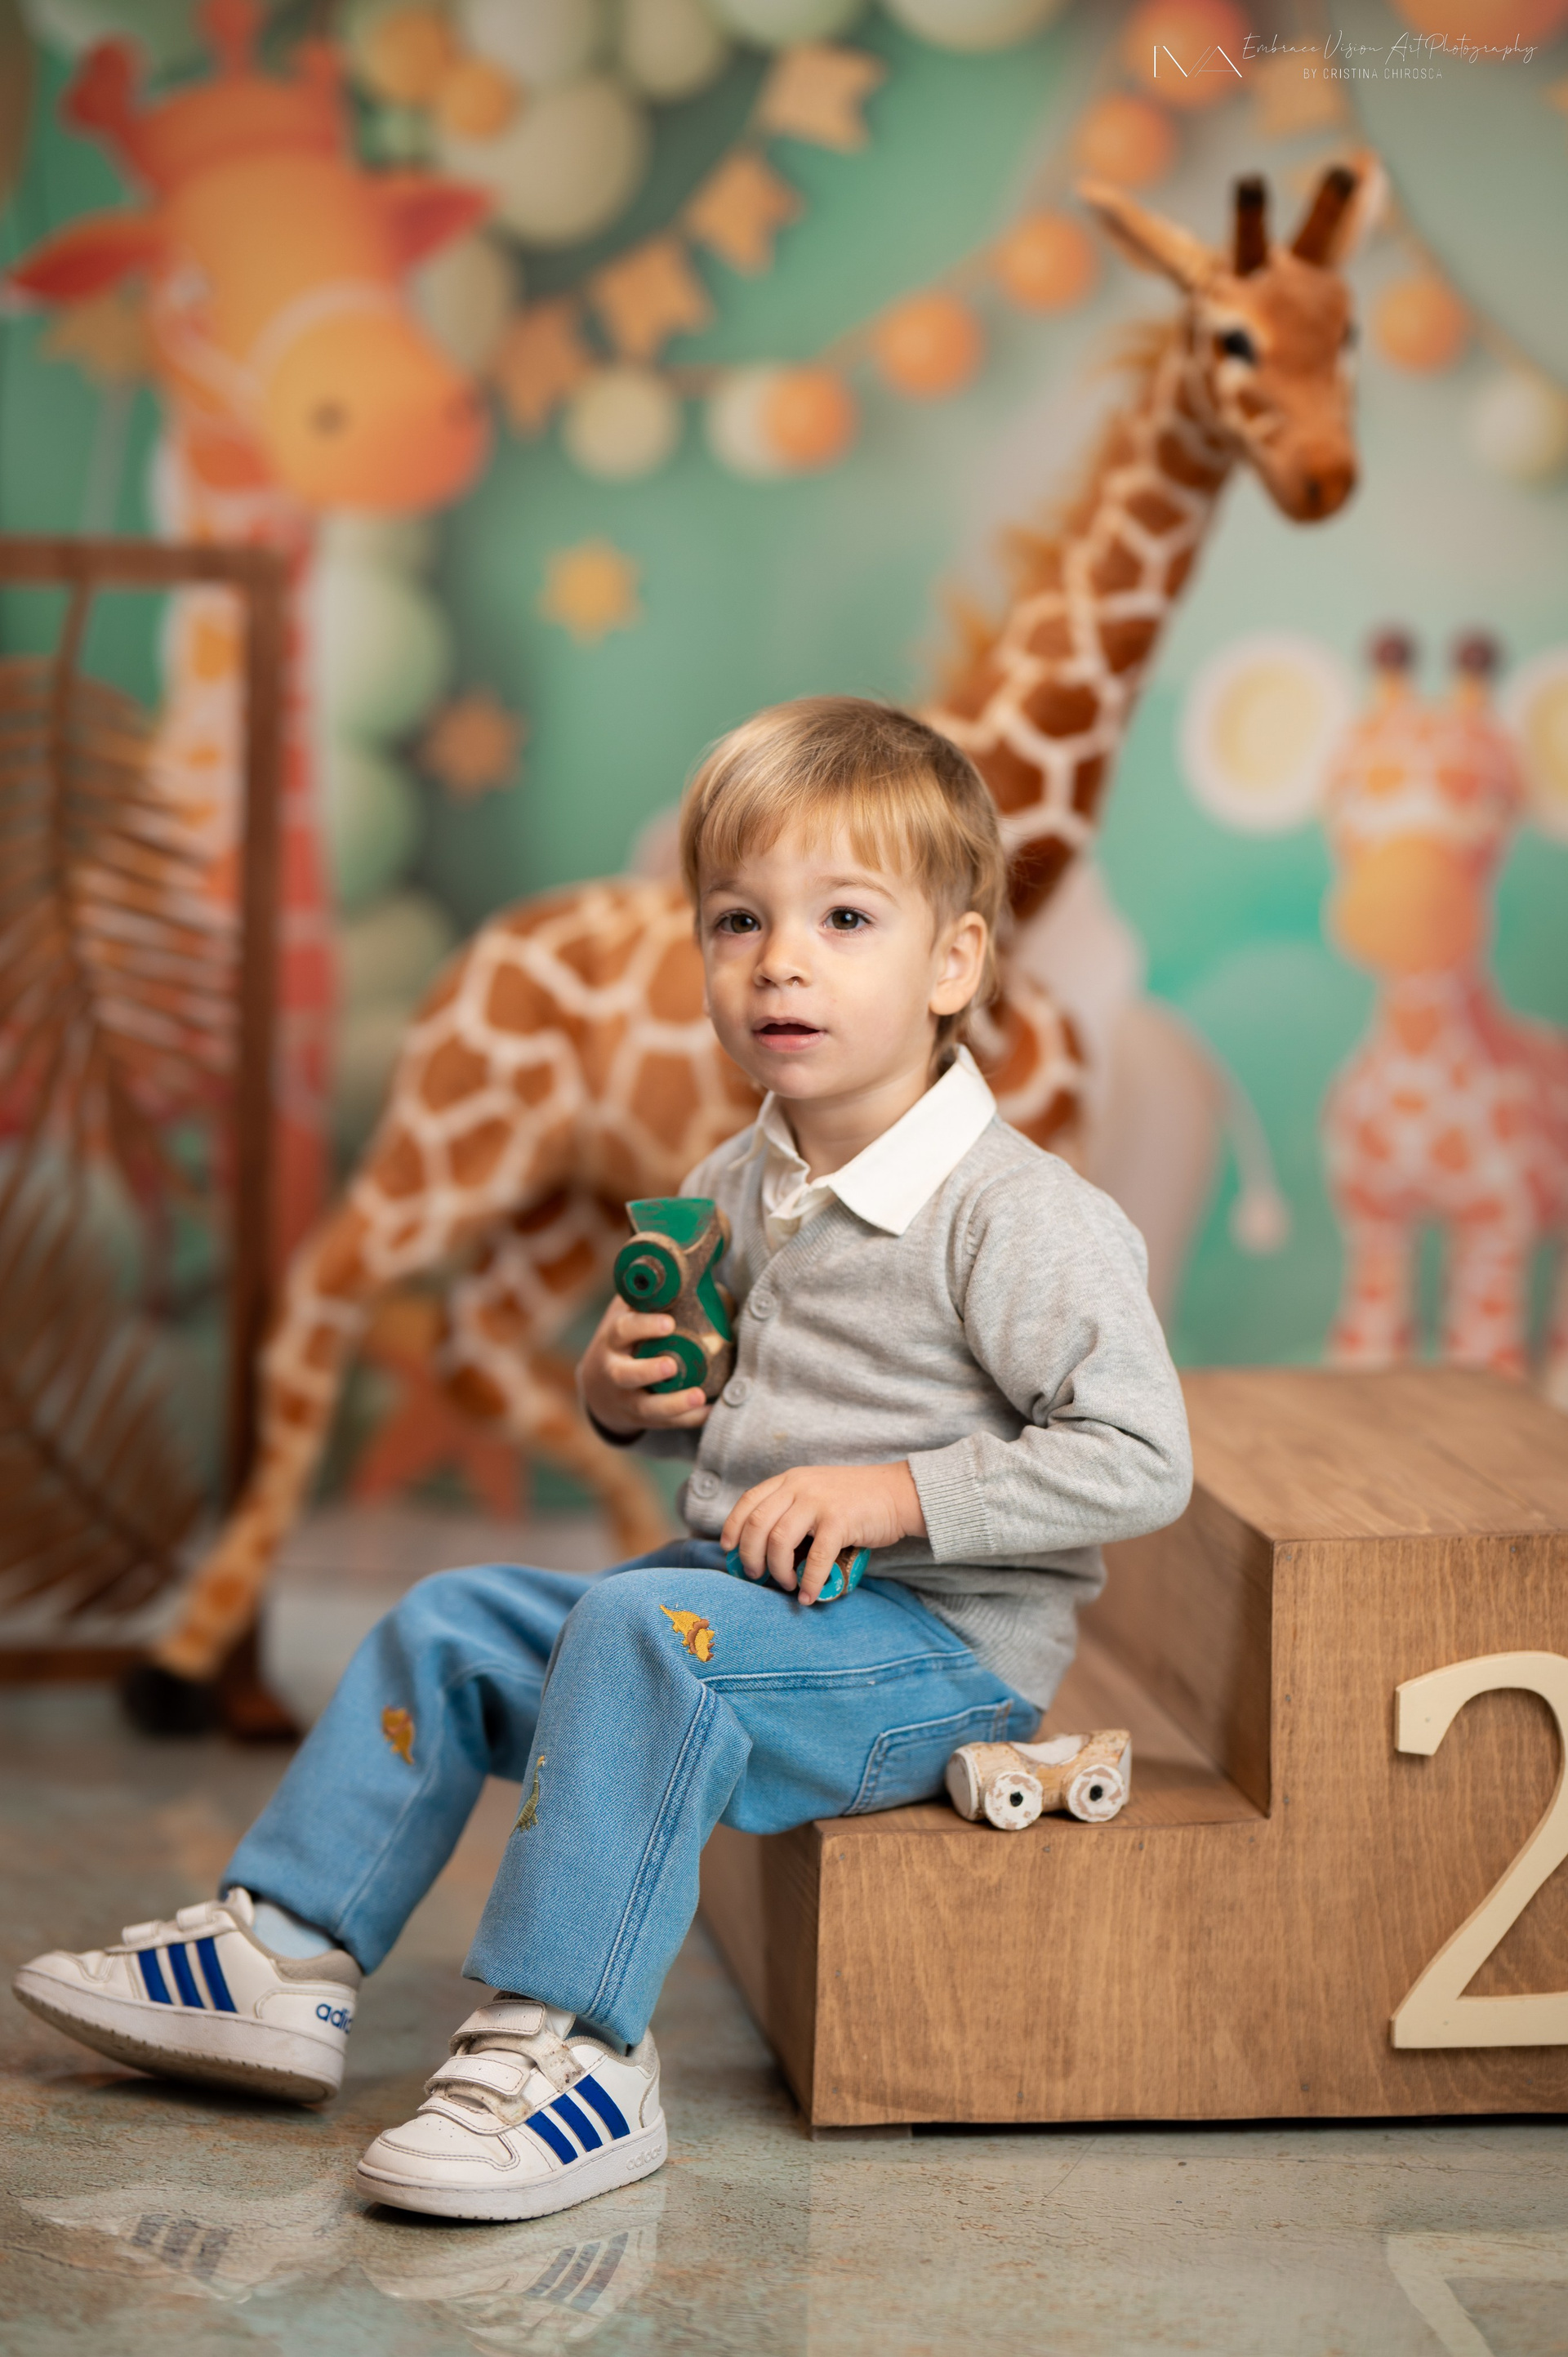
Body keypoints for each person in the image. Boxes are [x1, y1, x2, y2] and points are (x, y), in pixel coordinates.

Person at [14, 696, 1192, 2223]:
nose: (779, 961)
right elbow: (725, 1399)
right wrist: (624, 1389)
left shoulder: (1017, 1213)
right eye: (738, 919)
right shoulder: (741, 1175)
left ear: (954, 962)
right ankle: (286, 1952)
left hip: (930, 1657)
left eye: (845, 918)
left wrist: (896, 1493)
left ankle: (574, 2047)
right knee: (449, 1622)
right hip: (737, 1613)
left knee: (642, 1623)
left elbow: (1140, 1457)